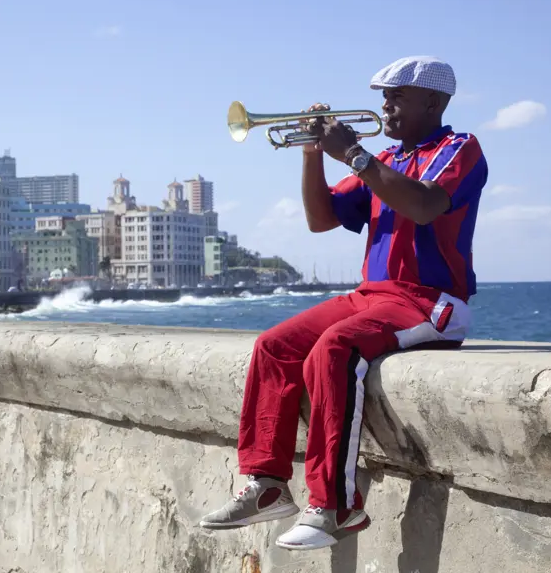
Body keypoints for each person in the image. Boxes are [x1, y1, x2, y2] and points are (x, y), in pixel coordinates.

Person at [200, 56, 488, 551]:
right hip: (372, 296)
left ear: (434, 102)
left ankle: (335, 505)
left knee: (336, 349)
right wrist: (313, 153)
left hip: (429, 302)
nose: (385, 105)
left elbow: (422, 205)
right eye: (384, 95)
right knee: (275, 346)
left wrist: (355, 154)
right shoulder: (388, 161)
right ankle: (267, 484)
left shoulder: (458, 149)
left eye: (397, 95)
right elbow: (321, 218)